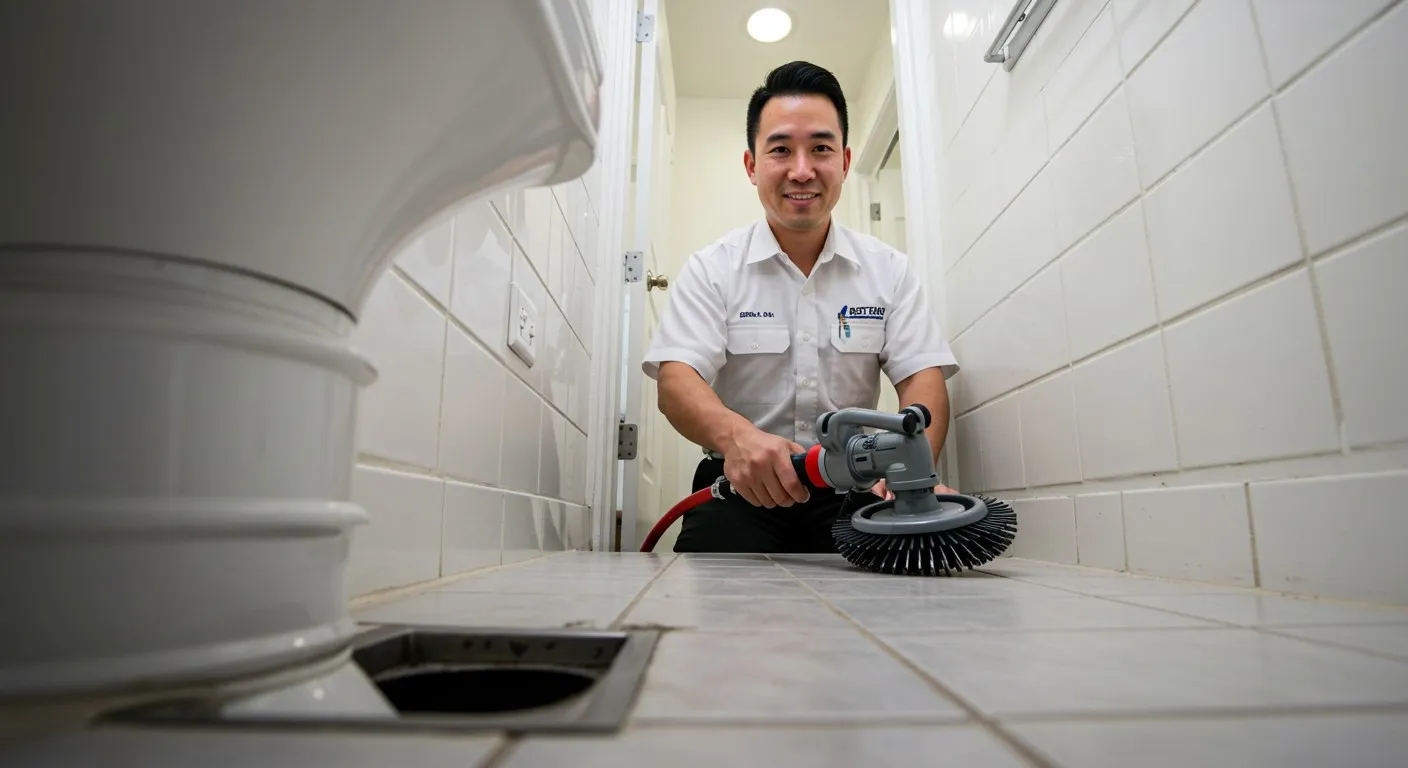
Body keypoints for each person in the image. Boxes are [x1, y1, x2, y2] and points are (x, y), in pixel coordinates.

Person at [641, 60, 960, 553]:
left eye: (821, 149)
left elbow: (923, 378)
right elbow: (676, 380)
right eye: (781, 150)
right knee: (710, 588)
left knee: (886, 588)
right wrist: (738, 438)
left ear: (846, 161)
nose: (802, 170)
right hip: (739, 480)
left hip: (852, 483)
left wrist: (911, 469)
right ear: (752, 165)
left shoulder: (889, 271)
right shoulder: (712, 269)